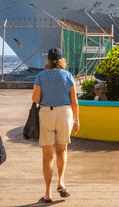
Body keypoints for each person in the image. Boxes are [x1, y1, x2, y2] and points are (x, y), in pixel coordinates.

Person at [32, 48, 80, 203]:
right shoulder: (68, 75)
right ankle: (61, 181)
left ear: (48, 60)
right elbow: (74, 101)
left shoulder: (40, 75)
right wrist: (77, 120)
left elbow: (35, 98)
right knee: (62, 150)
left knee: (47, 155)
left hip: (47, 112)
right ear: (61, 60)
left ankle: (47, 193)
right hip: (65, 113)